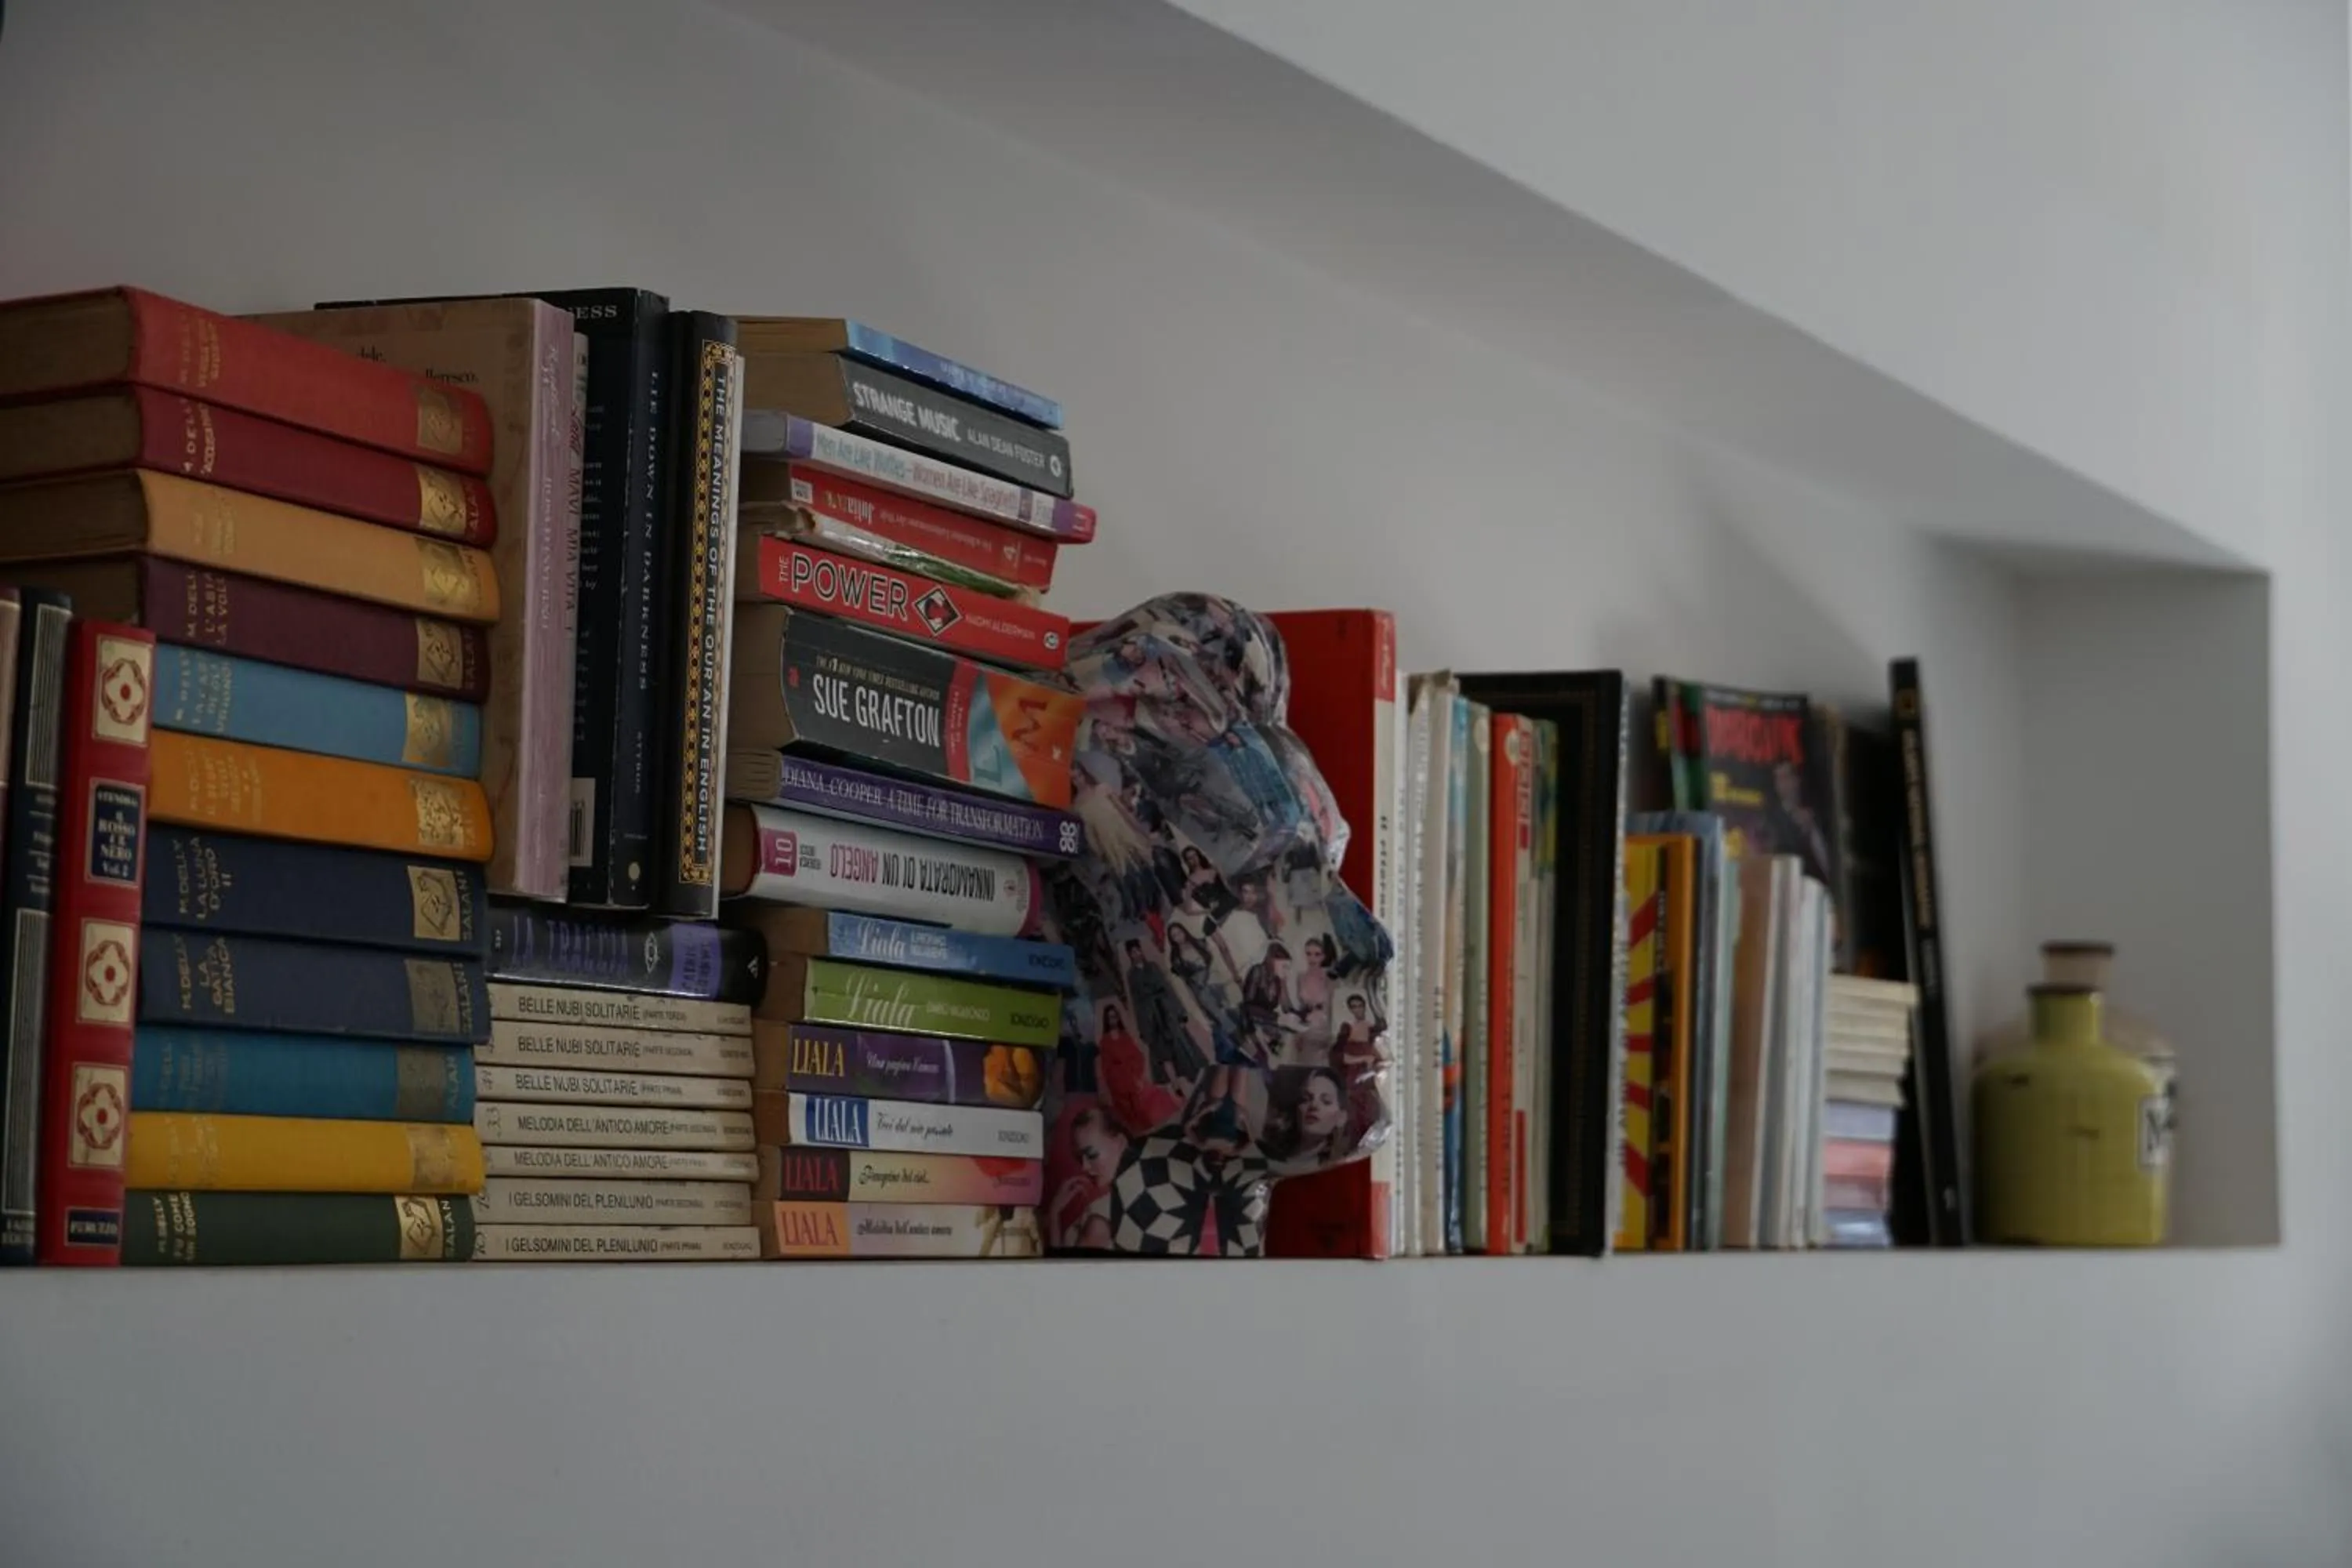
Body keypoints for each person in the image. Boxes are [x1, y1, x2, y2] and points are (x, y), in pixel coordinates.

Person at [1095, 1000, 1185, 1134]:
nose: (1113, 1020)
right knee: (1126, 1109)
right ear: (1106, 1020)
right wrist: (1112, 1080)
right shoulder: (1105, 1041)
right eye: (1110, 1017)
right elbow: (1105, 1065)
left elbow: (1137, 1055)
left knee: (1150, 1097)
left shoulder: (1125, 1036)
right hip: (1117, 1080)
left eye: (1115, 1016)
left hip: (1132, 1075)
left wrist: (1135, 1073)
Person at [1050, 1102, 1128, 1250]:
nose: (1085, 1167)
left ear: (1121, 1143)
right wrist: (1055, 1214)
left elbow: (1066, 1271)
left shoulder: (1100, 1220)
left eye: (1092, 1155)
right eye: (1081, 1158)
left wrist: (1055, 1215)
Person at [1263, 1065, 1350, 1167]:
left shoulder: (1334, 1169)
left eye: (1326, 1101)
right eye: (1306, 1099)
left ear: (1341, 1118)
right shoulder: (1267, 1146)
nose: (1313, 1105)